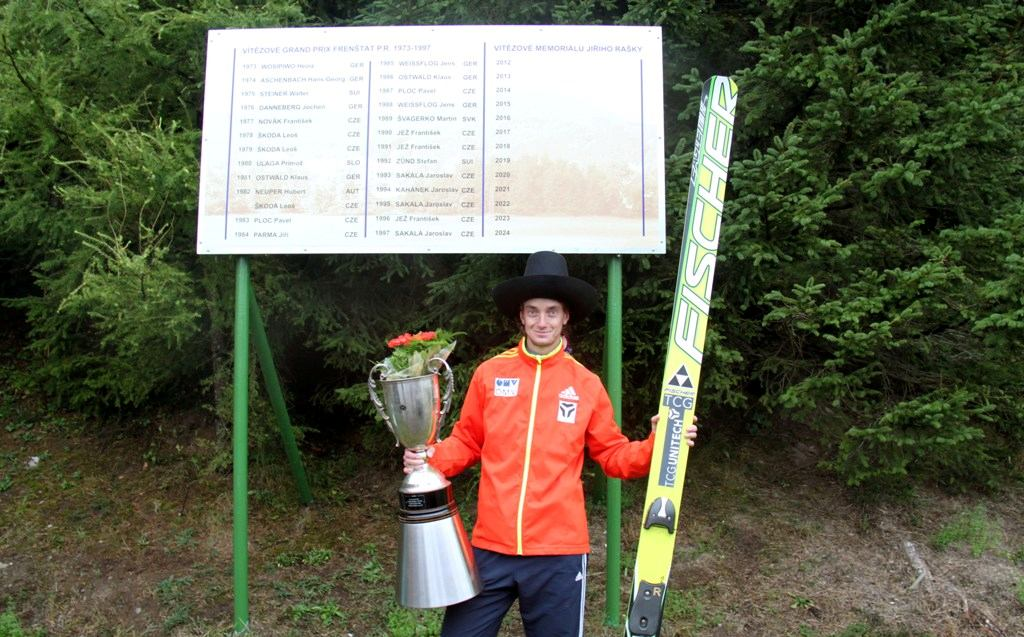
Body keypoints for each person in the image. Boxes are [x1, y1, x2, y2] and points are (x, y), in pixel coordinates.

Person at [403, 250, 698, 637]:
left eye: (551, 312)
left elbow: (613, 455)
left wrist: (660, 443)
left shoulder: (586, 384)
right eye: (533, 311)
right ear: (521, 316)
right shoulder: (491, 373)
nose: (542, 321)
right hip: (491, 547)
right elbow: (467, 442)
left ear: (565, 316)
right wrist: (429, 458)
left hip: (558, 554)